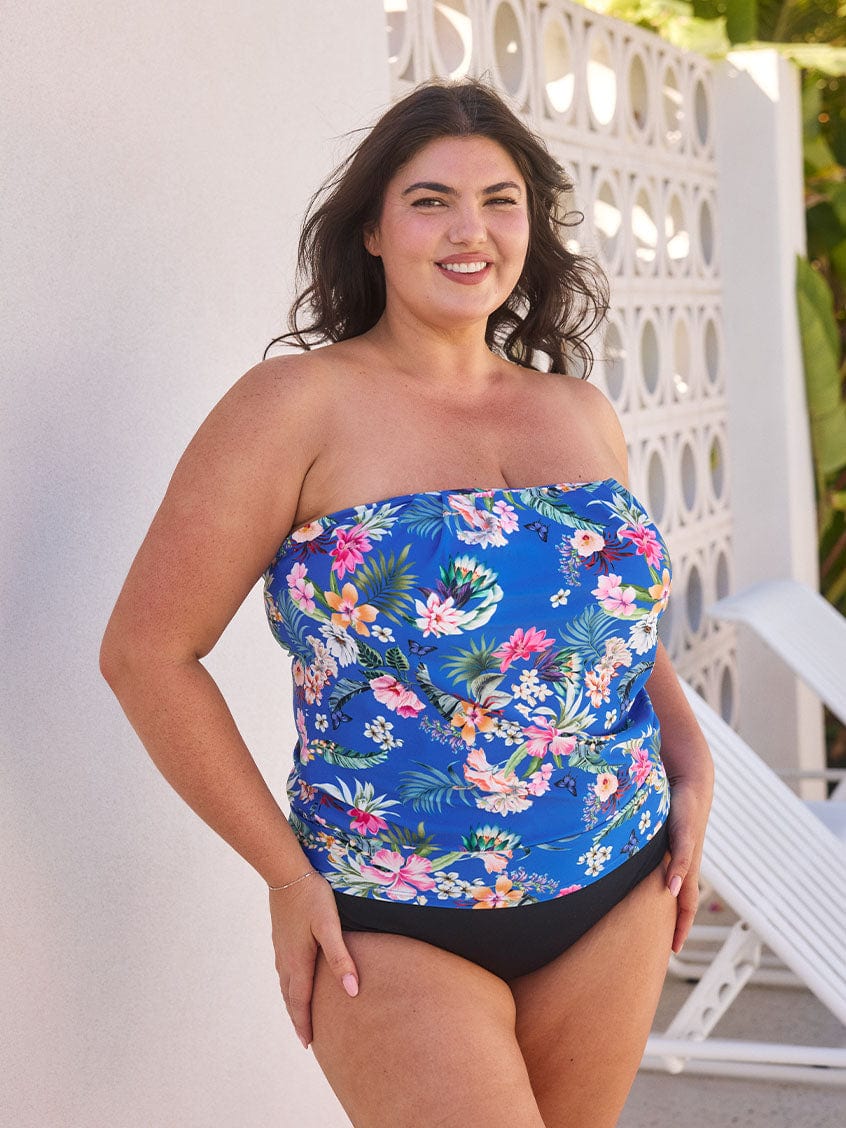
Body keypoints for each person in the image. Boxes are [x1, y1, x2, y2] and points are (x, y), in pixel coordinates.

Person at [101, 79, 714, 1127]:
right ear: (373, 231)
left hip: (617, 879)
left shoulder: (580, 412)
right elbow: (147, 655)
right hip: (389, 916)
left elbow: (611, 626)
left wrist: (692, 764)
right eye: (431, 201)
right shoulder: (293, 406)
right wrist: (285, 877)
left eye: (500, 200)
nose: (470, 230)